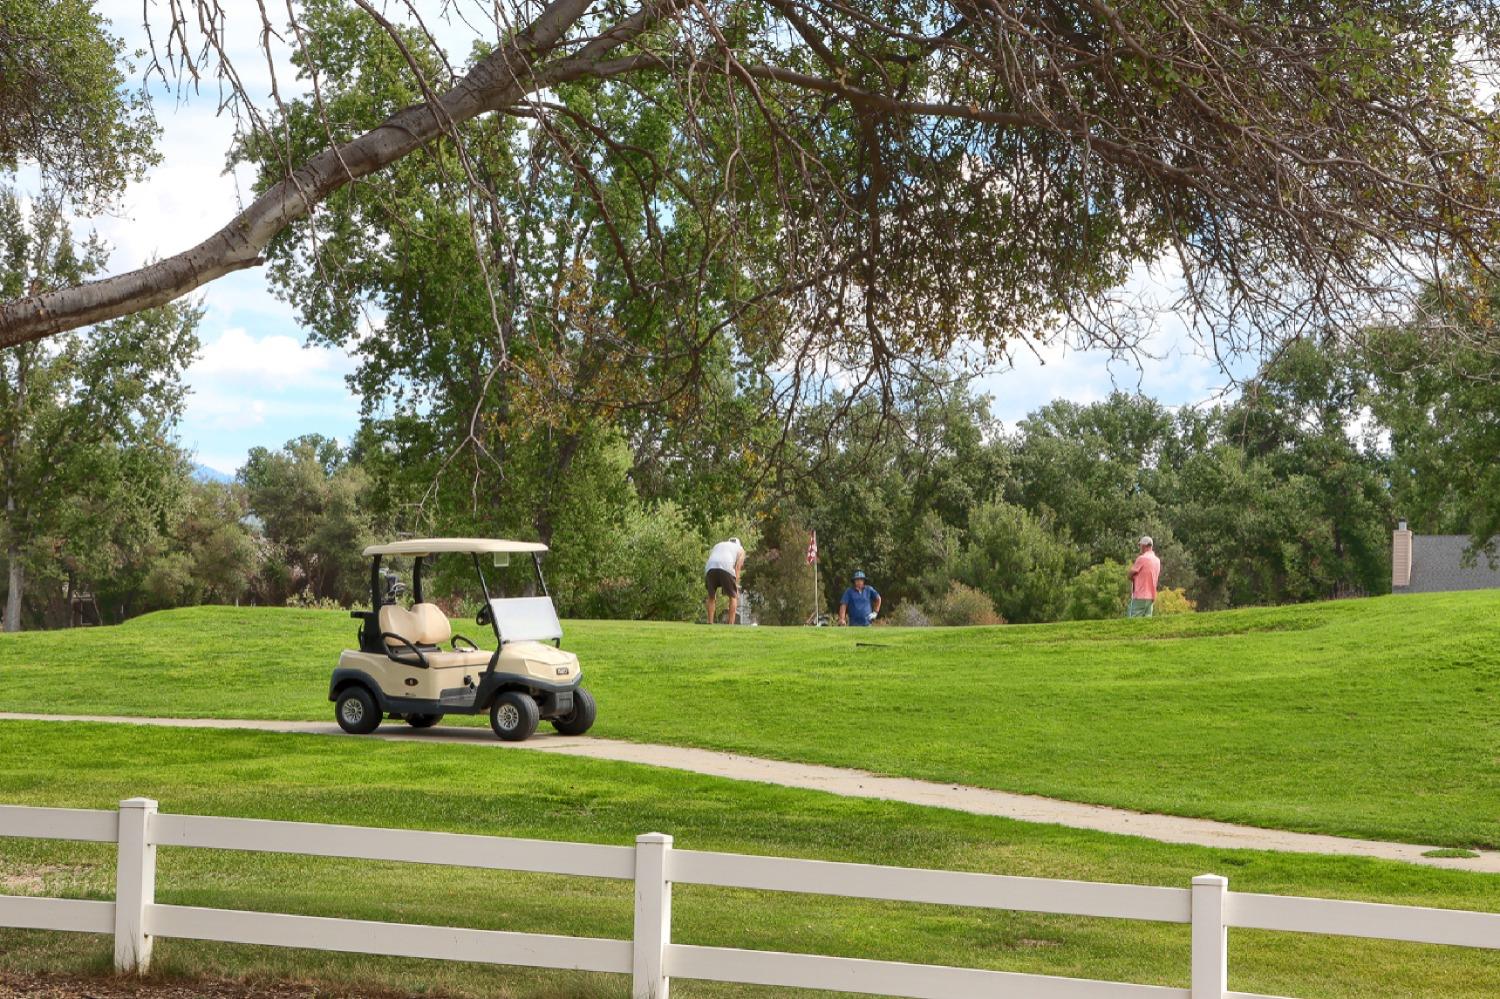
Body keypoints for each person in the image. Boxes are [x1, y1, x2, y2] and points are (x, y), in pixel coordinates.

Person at [704, 536, 746, 624]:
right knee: (733, 597)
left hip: (710, 567)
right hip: (726, 566)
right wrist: (736, 586)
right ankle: (730, 624)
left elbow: (712, 558)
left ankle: (710, 622)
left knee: (711, 596)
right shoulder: (740, 550)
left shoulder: (718, 545)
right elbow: (738, 567)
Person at [1127, 536, 1161, 617]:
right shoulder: (1157, 560)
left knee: (1133, 621)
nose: (1140, 548)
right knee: (1146, 623)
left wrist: (1133, 578)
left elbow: (1130, 574)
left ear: (1144, 546)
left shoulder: (1142, 558)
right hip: (1151, 596)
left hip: (1140, 595)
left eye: (1140, 546)